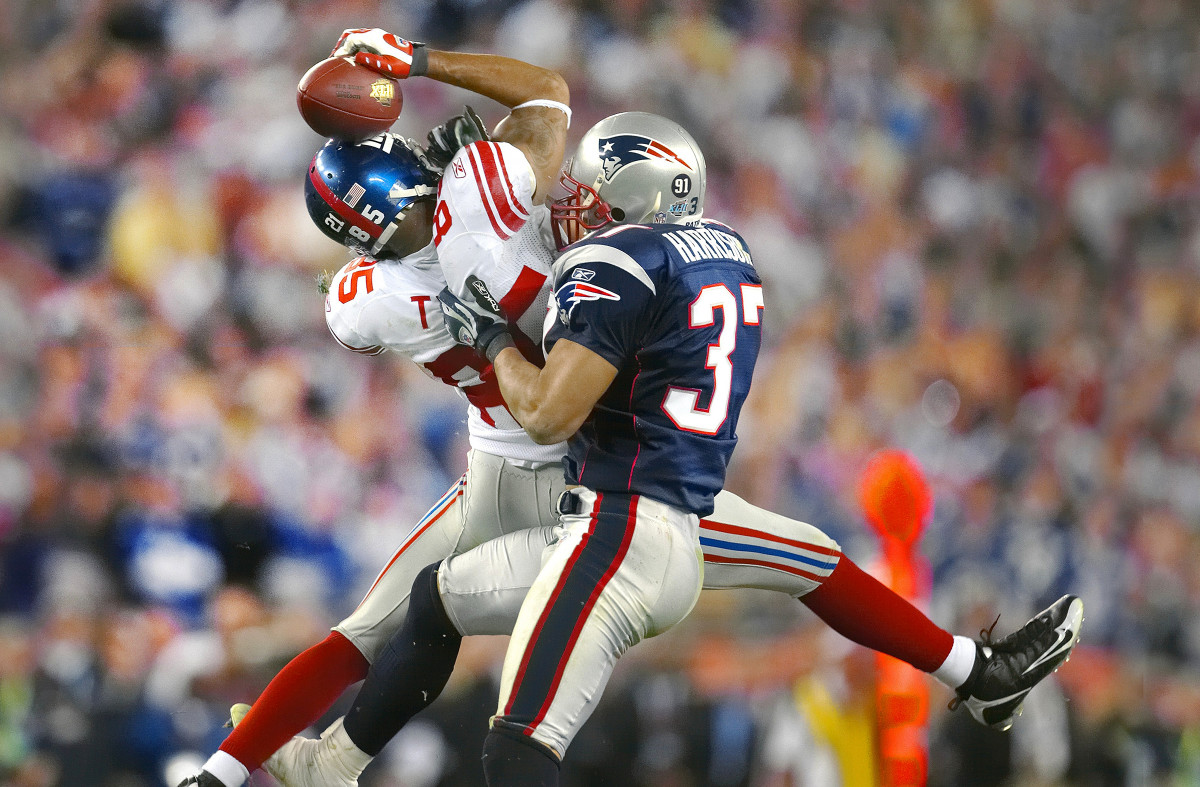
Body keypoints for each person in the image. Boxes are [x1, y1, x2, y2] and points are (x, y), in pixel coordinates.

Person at [177, 29, 1084, 787]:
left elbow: (446, 331)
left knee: (396, 622)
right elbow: (542, 99)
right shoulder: (512, 200)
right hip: (618, 467)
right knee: (809, 557)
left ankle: (268, 769)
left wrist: (471, 299)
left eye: (591, 197)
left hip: (533, 468)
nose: (572, 200)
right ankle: (974, 669)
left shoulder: (372, 298)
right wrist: (414, 60)